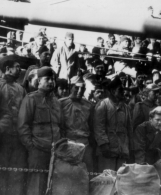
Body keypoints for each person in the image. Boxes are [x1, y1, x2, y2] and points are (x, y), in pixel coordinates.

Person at [18, 67, 62, 195]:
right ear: (39, 82)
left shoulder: (57, 102)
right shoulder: (31, 99)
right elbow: (23, 125)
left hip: (55, 151)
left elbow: (61, 126)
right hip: (38, 149)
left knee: (53, 185)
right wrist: (31, 147)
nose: (51, 82)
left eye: (52, 79)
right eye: (47, 79)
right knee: (36, 186)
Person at [93, 76, 133, 172]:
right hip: (107, 151)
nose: (122, 92)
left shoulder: (126, 108)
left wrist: (130, 147)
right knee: (107, 181)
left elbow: (129, 129)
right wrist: (104, 145)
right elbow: (99, 127)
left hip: (122, 151)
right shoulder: (103, 104)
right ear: (112, 90)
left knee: (120, 180)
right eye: (120, 90)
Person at [0, 58, 27, 195]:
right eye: (16, 67)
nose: (19, 69)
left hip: (17, 136)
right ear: (7, 69)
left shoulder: (20, 89)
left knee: (15, 171)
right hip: (2, 135)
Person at [60, 77, 94, 173]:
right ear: (71, 87)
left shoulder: (88, 105)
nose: (80, 91)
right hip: (68, 142)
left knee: (87, 172)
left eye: (82, 89)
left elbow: (92, 126)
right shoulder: (62, 103)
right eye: (76, 88)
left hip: (84, 143)